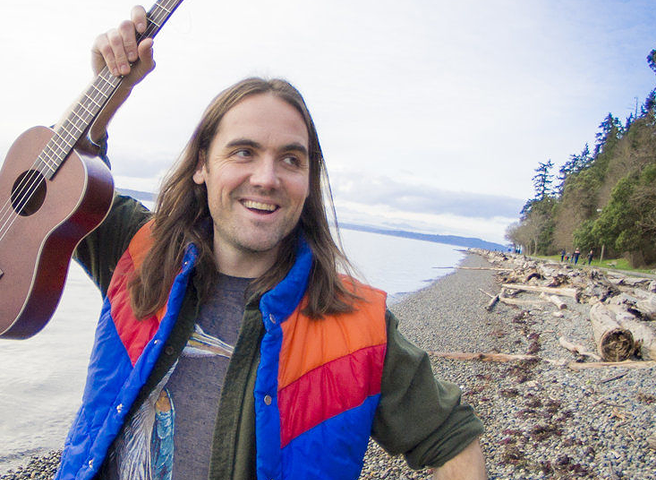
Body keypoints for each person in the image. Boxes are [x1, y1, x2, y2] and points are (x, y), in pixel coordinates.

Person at [55, 6, 486, 480]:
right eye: (243, 152)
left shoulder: (359, 328)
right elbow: (47, 185)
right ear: (202, 166)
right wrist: (104, 100)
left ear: (308, 181)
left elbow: (452, 439)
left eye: (291, 160)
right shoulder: (137, 251)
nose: (267, 178)